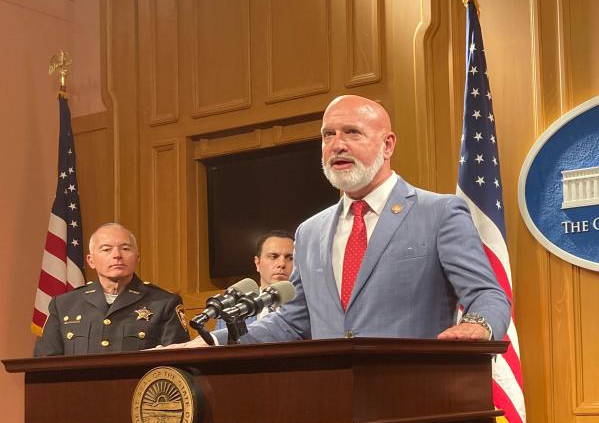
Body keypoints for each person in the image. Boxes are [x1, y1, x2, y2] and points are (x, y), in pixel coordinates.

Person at [176, 95, 508, 347]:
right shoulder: (310, 232)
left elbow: (487, 294)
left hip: (414, 401)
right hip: (332, 407)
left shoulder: (438, 213)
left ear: (387, 144)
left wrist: (478, 325)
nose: (337, 145)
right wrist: (211, 342)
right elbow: (293, 321)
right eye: (328, 135)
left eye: (352, 133)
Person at [34, 222, 189, 356]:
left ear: (137, 258)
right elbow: (45, 363)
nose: (117, 255)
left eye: (125, 248)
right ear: (91, 261)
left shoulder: (164, 303)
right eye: (106, 249)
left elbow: (177, 366)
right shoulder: (64, 305)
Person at [250, 229, 295, 322]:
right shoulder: (233, 311)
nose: (282, 264)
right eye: (273, 257)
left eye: (290, 258)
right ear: (257, 263)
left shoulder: (309, 308)